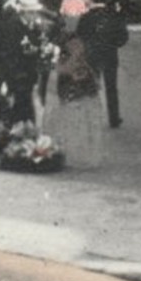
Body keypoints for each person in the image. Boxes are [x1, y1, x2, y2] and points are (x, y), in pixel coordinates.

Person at [46, 11, 107, 169]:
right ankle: (81, 154)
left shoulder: (74, 44)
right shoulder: (80, 43)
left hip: (76, 88)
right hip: (81, 87)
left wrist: (54, 66)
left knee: (76, 120)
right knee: (82, 121)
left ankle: (77, 155)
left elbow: (68, 67)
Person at [77, 0, 129, 128]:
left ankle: (91, 117)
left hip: (92, 54)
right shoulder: (115, 16)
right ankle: (114, 118)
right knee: (111, 87)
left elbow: (80, 34)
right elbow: (123, 38)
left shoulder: (86, 16)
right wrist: (113, 44)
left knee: (92, 86)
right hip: (110, 54)